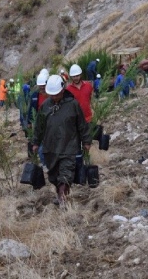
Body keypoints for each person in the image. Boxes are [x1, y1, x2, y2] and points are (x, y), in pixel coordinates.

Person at [32, 75, 92, 206]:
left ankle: (62, 199)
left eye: (56, 94)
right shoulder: (45, 106)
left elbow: (82, 124)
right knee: (54, 177)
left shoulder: (73, 105)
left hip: (69, 146)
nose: (54, 97)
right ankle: (61, 193)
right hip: (50, 147)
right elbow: (39, 126)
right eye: (51, 95)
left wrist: (86, 141)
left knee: (66, 173)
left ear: (62, 90)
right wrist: (36, 142)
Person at [27, 72, 49, 166]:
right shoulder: (35, 96)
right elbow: (31, 110)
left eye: (43, 86)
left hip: (52, 125)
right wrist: (29, 122)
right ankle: (45, 165)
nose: (42, 88)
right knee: (40, 148)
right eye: (40, 86)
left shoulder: (53, 94)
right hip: (40, 125)